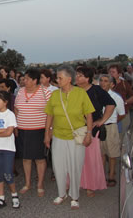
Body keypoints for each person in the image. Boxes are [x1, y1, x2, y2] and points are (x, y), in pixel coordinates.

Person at [44, 65, 95, 210]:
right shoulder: (54, 95)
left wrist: (89, 133)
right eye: (57, 77)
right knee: (58, 166)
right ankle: (62, 194)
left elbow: (89, 115)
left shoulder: (80, 93)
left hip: (76, 137)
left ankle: (74, 196)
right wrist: (47, 134)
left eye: (60, 77)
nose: (57, 80)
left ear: (69, 79)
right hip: (58, 136)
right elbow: (49, 115)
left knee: (75, 166)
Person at [76, 66, 115, 197]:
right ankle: (78, 182)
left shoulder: (96, 90)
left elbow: (111, 104)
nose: (77, 77)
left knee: (90, 158)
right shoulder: (73, 90)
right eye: (77, 75)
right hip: (76, 129)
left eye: (80, 75)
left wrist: (101, 120)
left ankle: (90, 185)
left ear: (87, 78)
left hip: (92, 129)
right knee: (76, 158)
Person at [14, 68, 51, 197]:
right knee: (26, 158)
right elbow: (16, 109)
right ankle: (27, 183)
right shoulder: (20, 92)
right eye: (24, 78)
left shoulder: (45, 92)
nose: (25, 81)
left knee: (39, 159)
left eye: (27, 79)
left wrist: (48, 132)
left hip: (39, 131)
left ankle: (40, 184)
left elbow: (51, 114)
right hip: (23, 130)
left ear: (35, 80)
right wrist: (16, 127)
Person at [0, 91, 20, 209]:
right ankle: (1, 198)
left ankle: (14, 195)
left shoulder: (10, 115)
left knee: (8, 173)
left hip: (8, 149)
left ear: (5, 102)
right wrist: (2, 131)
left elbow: (9, 133)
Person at [99, 74, 126, 187]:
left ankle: (111, 176)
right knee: (101, 153)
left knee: (112, 153)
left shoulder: (116, 97)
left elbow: (122, 114)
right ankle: (101, 175)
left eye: (106, 81)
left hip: (110, 127)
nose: (103, 83)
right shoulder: (96, 95)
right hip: (99, 127)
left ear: (111, 84)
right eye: (101, 80)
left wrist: (112, 121)